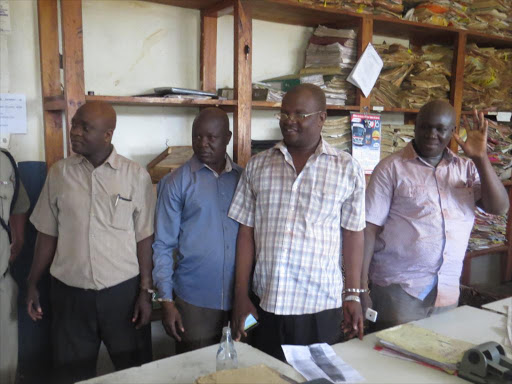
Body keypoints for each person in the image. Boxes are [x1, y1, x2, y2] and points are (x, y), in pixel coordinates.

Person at [228, 84, 366, 361]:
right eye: (284, 113)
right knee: (267, 376)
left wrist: (353, 294)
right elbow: (245, 234)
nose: (289, 121)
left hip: (320, 306)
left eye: (300, 114)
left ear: (322, 118)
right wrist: (241, 296)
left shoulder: (346, 168)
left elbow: (353, 234)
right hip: (266, 302)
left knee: (318, 379)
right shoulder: (258, 165)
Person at [26, 101, 155, 383]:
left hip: (123, 295)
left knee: (135, 372)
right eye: (74, 124)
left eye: (86, 128)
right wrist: (33, 282)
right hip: (70, 296)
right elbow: (47, 233)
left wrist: (146, 291)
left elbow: (144, 236)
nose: (75, 132)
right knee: (71, 374)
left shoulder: (135, 176)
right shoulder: (59, 173)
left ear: (108, 135)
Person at [362, 100, 509, 331]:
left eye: (440, 129)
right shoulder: (391, 168)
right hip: (399, 290)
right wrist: (360, 289)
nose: (431, 134)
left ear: (452, 132)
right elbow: (368, 230)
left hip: (447, 289)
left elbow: (499, 207)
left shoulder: (466, 168)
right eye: (425, 127)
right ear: (415, 126)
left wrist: (481, 158)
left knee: (437, 358)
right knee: (391, 360)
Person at [152, 107, 242, 354]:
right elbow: (163, 244)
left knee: (241, 365)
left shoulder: (243, 180)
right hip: (194, 301)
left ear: (228, 137)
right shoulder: (175, 183)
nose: (203, 144)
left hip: (241, 299)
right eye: (197, 136)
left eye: (211, 137)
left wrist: (246, 296)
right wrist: (167, 301)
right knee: (194, 366)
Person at [0, 149, 30, 384]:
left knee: (5, 369)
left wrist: (17, 239)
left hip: (1, 284)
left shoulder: (5, 161)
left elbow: (18, 202)